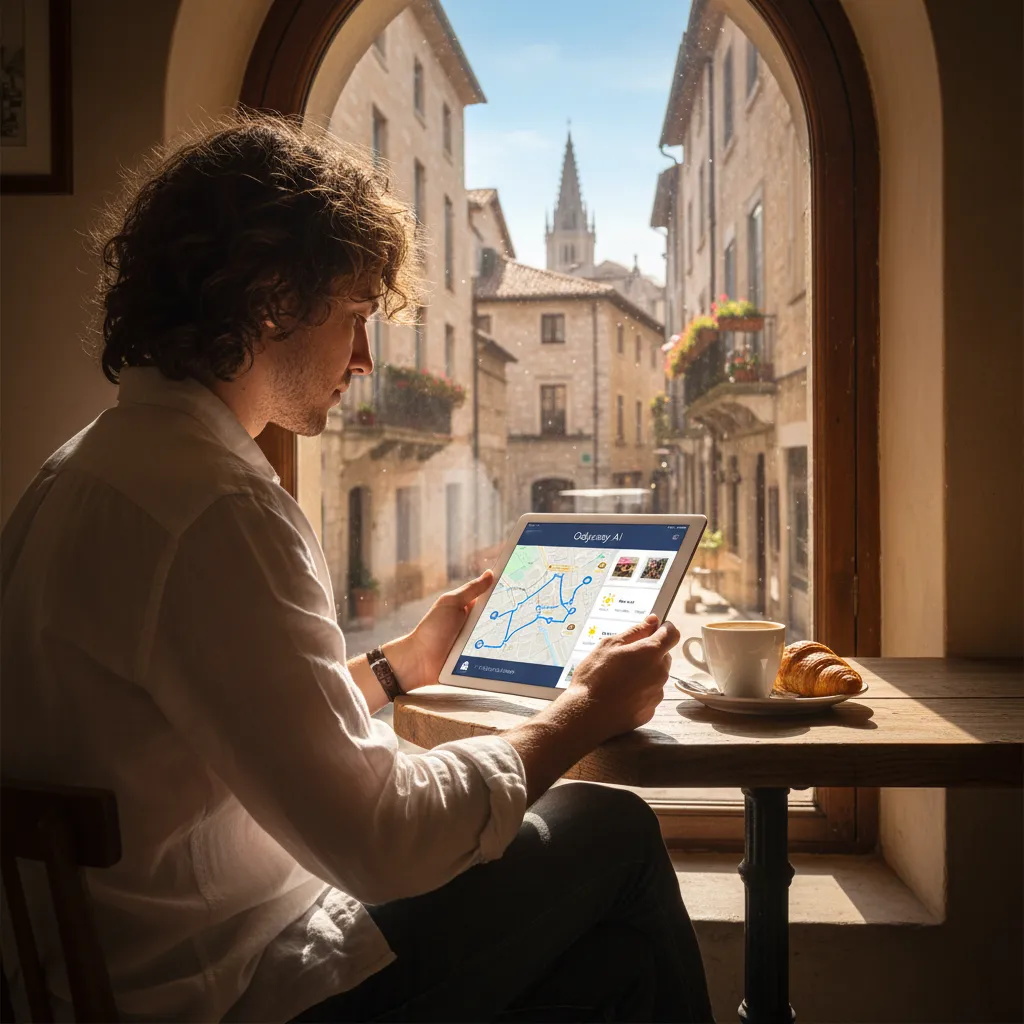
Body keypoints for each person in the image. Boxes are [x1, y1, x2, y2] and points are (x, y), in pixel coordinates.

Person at [0, 114, 712, 1023]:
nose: (366, 360)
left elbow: (220, 717)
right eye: (355, 318)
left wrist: (397, 666)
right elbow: (384, 840)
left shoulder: (81, 471)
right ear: (270, 300)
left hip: (102, 979)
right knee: (615, 832)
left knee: (607, 971)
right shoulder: (220, 508)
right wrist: (585, 714)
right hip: (230, 992)